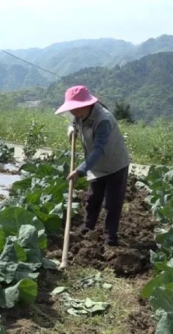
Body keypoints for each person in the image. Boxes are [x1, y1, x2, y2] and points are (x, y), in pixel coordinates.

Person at [56, 85, 130, 246]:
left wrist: (80, 170)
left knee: (112, 203)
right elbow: (74, 121)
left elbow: (99, 150)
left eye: (75, 109)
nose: (73, 113)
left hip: (115, 164)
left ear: (86, 105)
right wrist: (71, 128)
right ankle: (87, 227)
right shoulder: (80, 114)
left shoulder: (103, 120)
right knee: (92, 198)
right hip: (96, 165)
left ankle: (110, 238)